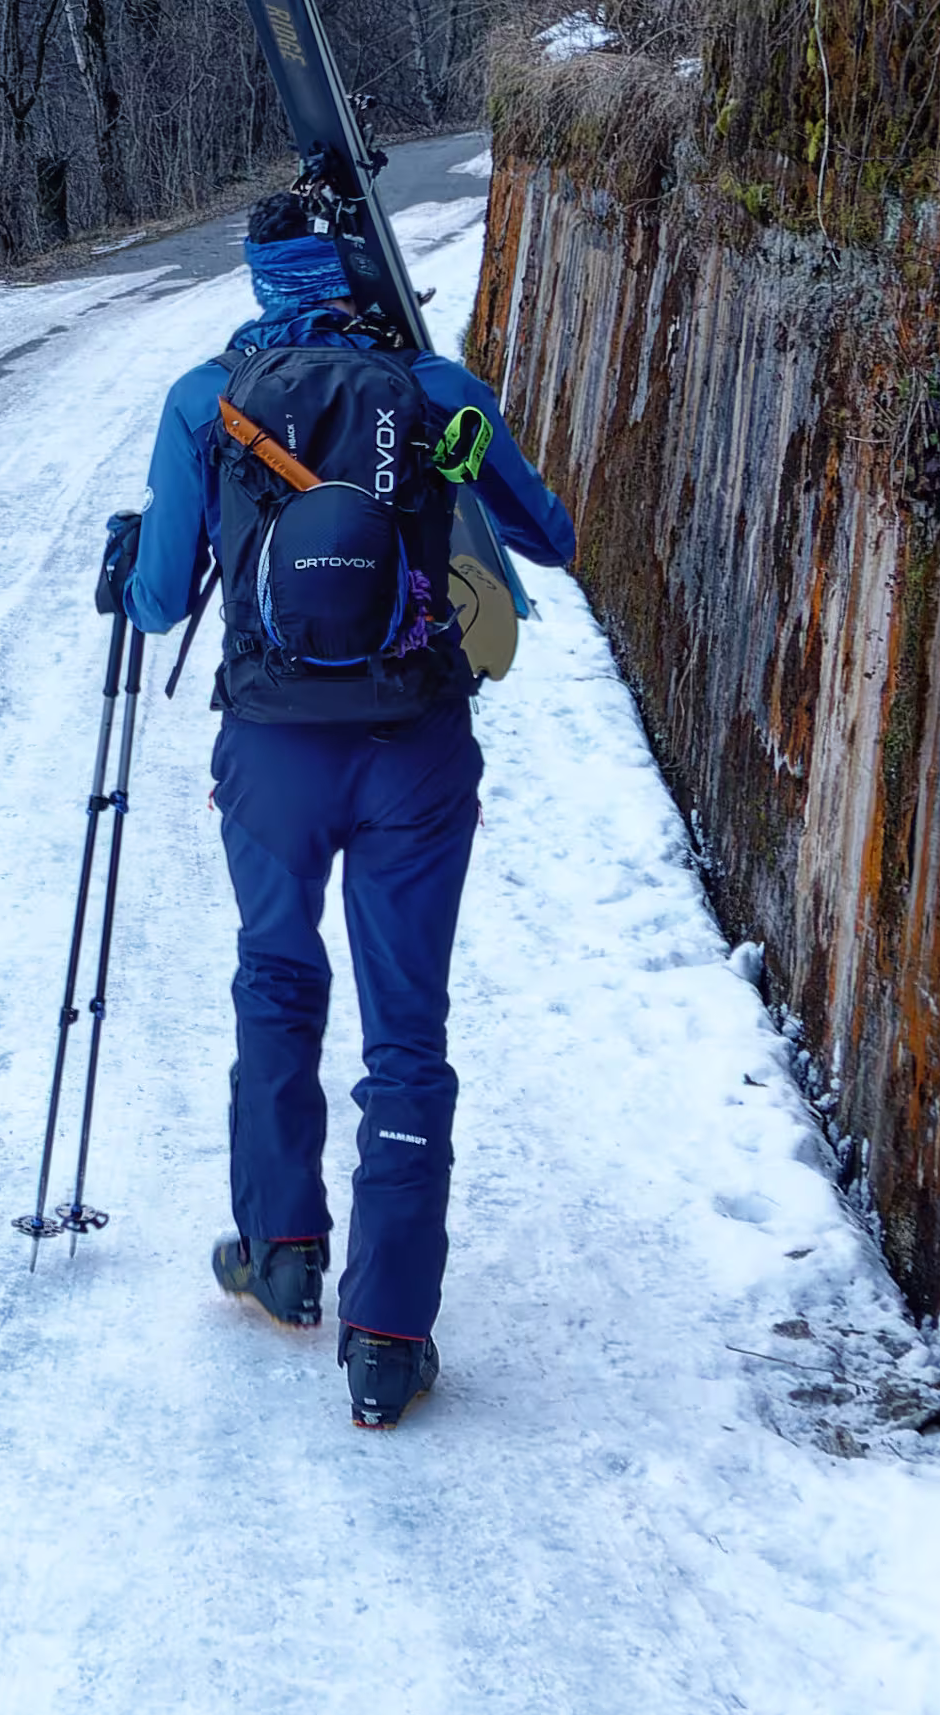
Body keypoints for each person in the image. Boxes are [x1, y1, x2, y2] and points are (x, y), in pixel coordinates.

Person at [104, 191, 582, 1430]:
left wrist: (132, 549)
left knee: (276, 976)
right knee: (406, 1033)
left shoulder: (207, 400)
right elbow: (551, 540)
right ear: (356, 269)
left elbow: (157, 603)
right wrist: (450, 465)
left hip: (273, 753)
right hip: (415, 749)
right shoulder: (431, 389)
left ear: (261, 279)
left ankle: (281, 1254)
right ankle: (386, 1338)